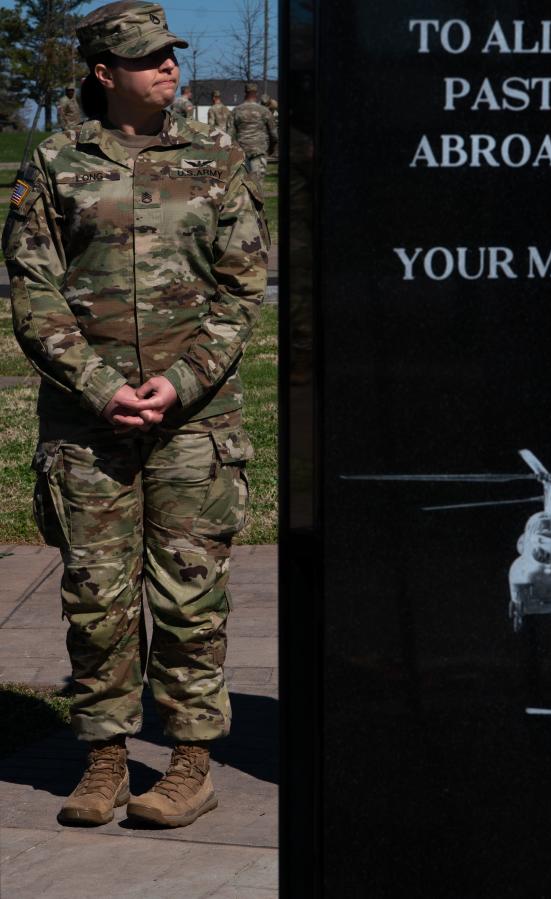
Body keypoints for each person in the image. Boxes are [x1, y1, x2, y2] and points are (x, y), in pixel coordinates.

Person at [2, 0, 267, 828]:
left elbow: (241, 287)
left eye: (172, 55)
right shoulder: (54, 161)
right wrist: (95, 383)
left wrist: (182, 382)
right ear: (104, 73)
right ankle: (105, 759)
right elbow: (33, 288)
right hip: (89, 425)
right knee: (96, 594)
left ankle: (191, 761)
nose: (169, 68)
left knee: (191, 596)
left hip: (195, 422)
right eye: (148, 57)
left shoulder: (217, 161)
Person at [232, 81, 278, 190]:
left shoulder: (236, 111)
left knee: (243, 189)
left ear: (245, 92)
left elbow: (229, 135)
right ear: (256, 93)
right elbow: (274, 135)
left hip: (241, 154)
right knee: (257, 189)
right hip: (258, 153)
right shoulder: (264, 111)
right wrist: (271, 149)